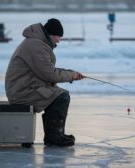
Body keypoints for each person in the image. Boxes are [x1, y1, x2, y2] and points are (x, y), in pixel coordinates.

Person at [5, 18, 84, 147]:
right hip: (22, 92)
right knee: (61, 97)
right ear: (51, 34)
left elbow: (46, 71)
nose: (59, 40)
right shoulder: (36, 46)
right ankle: (54, 137)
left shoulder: (37, 43)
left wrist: (71, 74)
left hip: (27, 87)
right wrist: (71, 75)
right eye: (58, 37)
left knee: (59, 94)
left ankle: (56, 135)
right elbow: (49, 74)